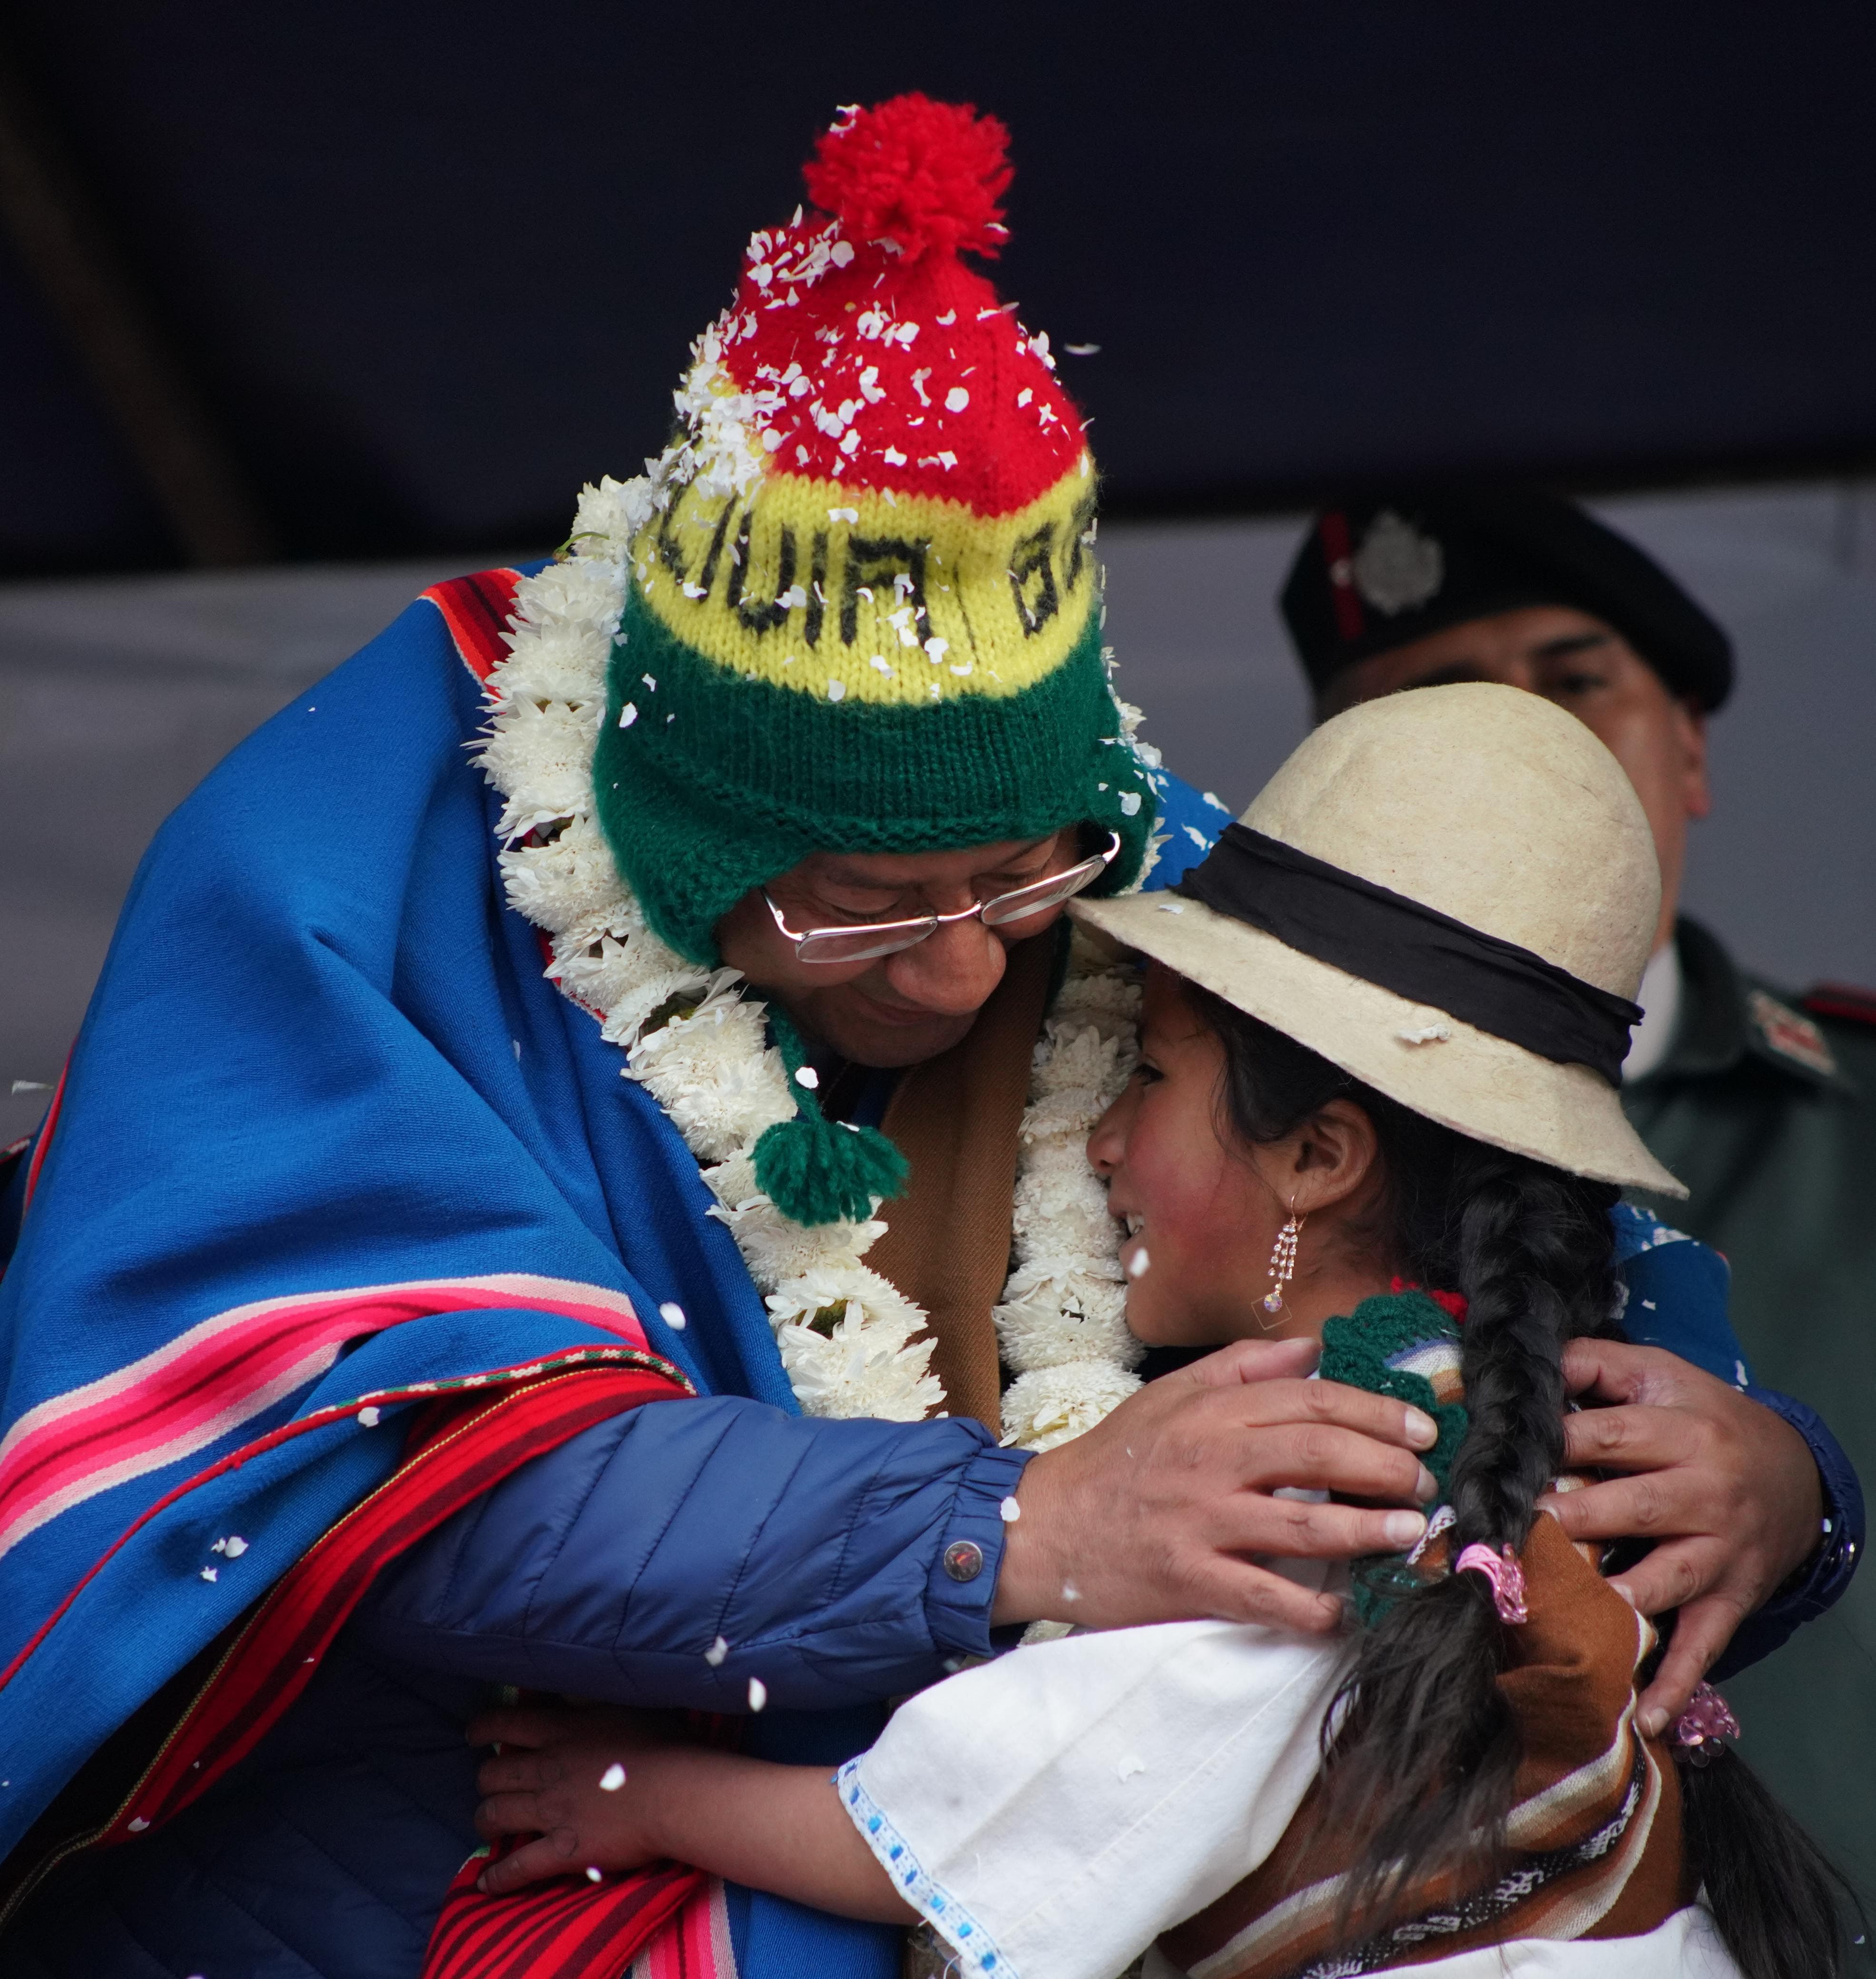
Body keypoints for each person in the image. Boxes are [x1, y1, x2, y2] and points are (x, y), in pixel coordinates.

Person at [0, 102, 1846, 1979]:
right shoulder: (376, 869)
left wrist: (1780, 1484)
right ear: (680, 840)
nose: (966, 972)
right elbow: (385, 1475)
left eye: (1019, 881)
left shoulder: (1132, 863)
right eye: (863, 903)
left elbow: (1494, 1223)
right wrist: (1021, 1527)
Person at [462, 686, 1850, 1979]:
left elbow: (998, 1824)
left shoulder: (1328, 1484)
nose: (1102, 1137)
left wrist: (644, 1797)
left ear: (1318, 1158)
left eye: (1152, 1075)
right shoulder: (1482, 1402)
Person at [1278, 487, 1873, 1898]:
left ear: (1691, 749)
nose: (1524, 742)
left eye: (1575, 683)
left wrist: (1806, 1499)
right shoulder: (1257, 1143)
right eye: (1442, 700)